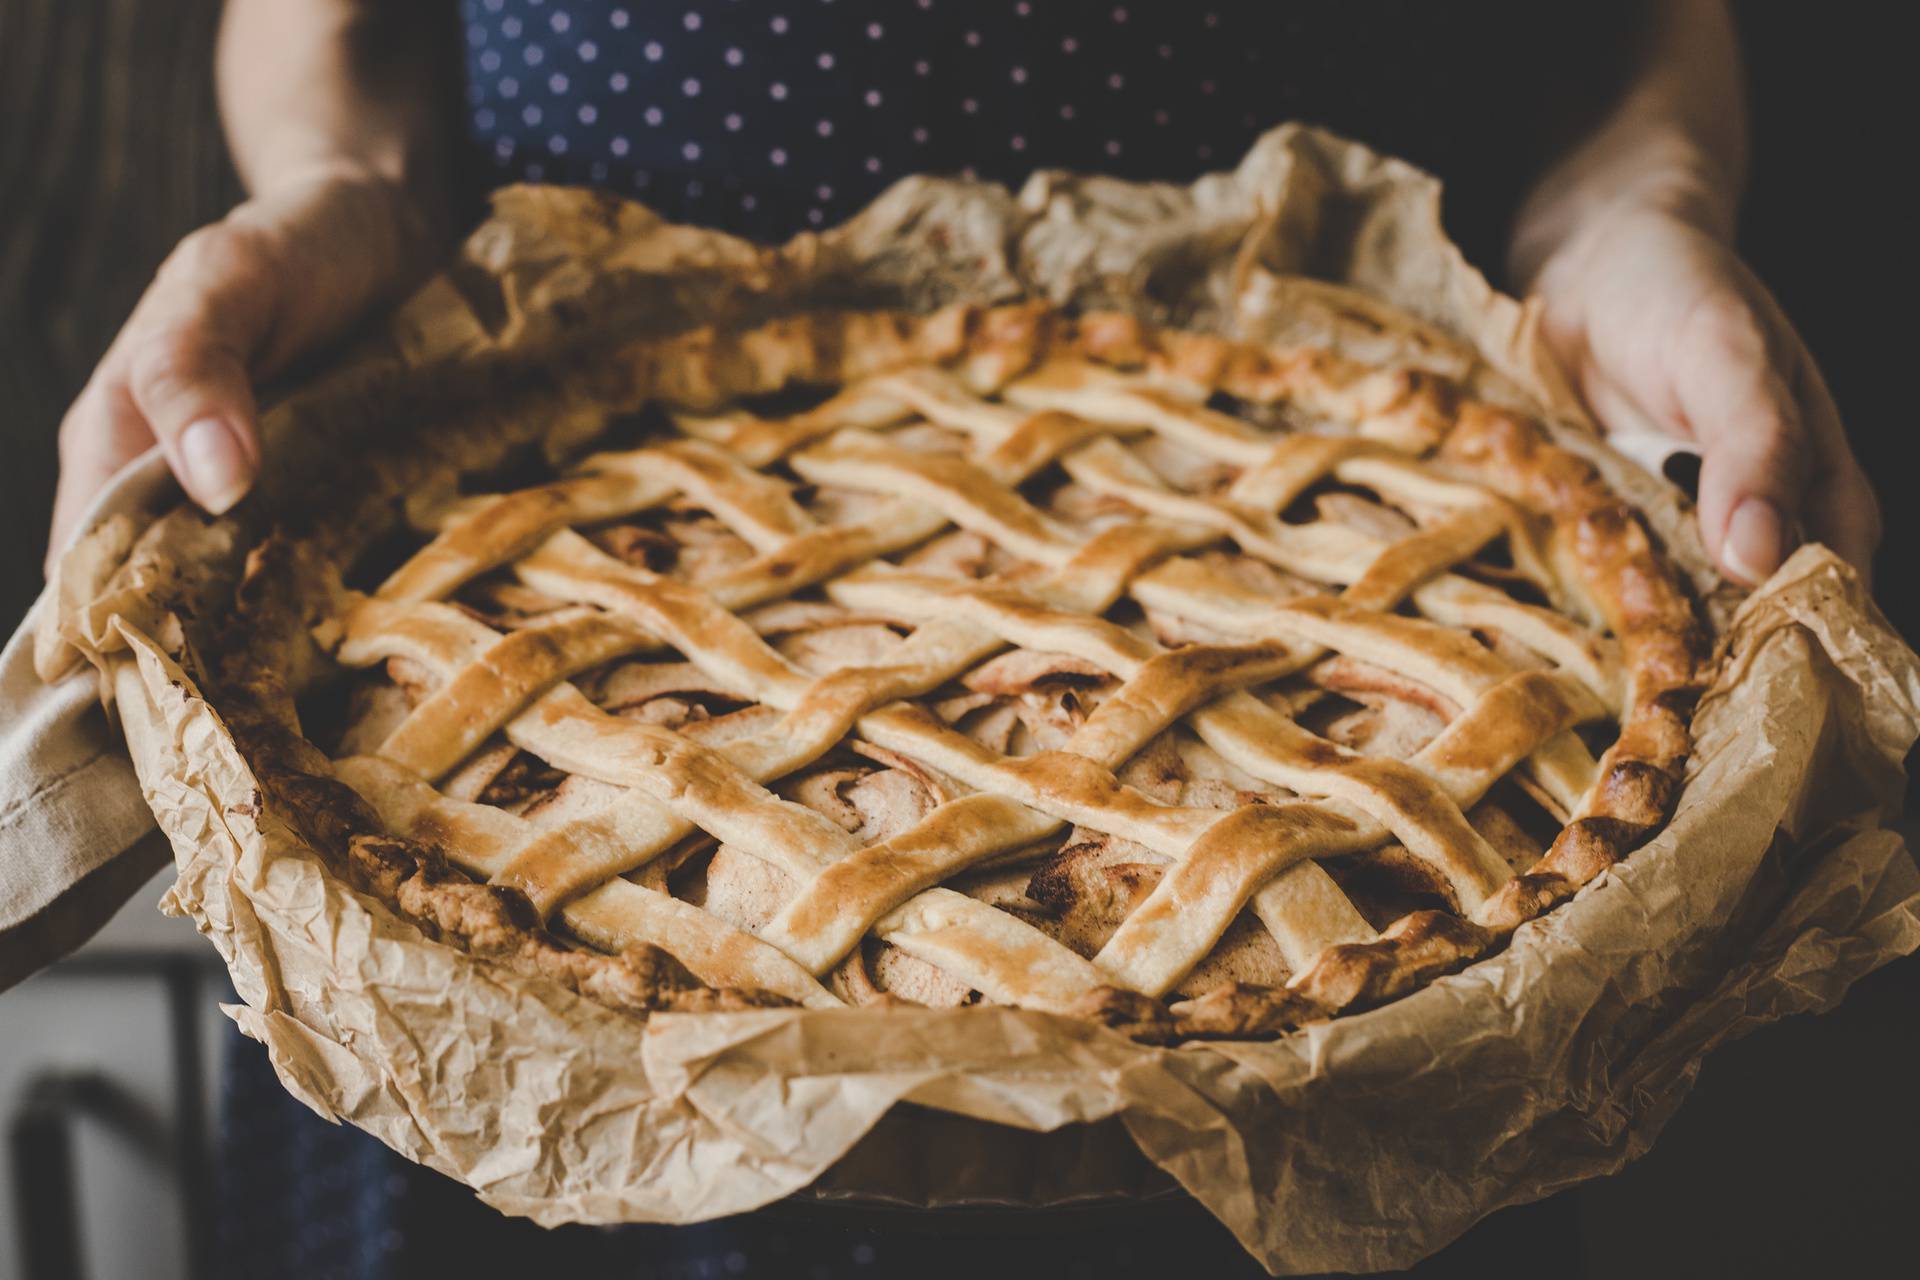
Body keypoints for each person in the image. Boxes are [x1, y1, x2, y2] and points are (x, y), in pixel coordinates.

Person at [44, 4, 1883, 1277]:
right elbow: (334, 32)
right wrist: (337, 176)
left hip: (1360, 848)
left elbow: (1639, 21)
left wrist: (1637, 199)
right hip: (526, 937)